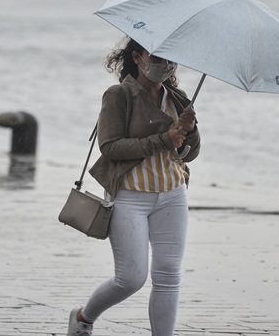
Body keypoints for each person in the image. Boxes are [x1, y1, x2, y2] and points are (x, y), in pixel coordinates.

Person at [67, 37, 201, 336]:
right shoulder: (119, 95)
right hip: (130, 196)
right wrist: (164, 139)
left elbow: (189, 154)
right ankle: (84, 317)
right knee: (130, 278)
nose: (164, 64)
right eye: (156, 57)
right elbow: (110, 147)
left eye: (170, 58)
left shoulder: (178, 98)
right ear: (138, 58)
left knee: (168, 275)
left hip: (173, 194)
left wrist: (190, 132)